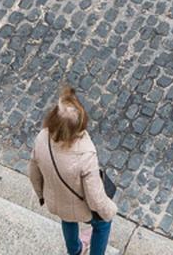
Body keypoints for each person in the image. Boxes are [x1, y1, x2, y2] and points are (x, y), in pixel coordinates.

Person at [28, 85, 117, 255]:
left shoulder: (41, 139)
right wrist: (109, 210)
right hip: (80, 207)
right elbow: (95, 197)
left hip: (57, 201)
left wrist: (41, 195)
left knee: (67, 219)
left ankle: (75, 250)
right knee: (103, 224)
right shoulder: (86, 153)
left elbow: (33, 173)